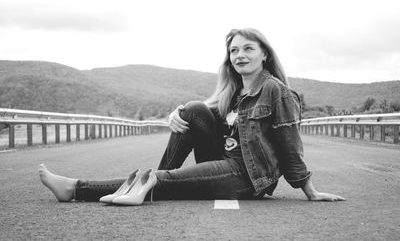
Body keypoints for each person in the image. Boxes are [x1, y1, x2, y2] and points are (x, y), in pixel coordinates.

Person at [39, 28, 345, 205]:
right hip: (226, 161)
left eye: (248, 49)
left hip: (248, 177)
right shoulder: (234, 92)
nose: (240, 55)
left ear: (264, 53)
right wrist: (179, 112)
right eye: (234, 51)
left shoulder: (277, 91)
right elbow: (202, 116)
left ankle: (77, 188)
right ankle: (149, 186)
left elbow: (290, 144)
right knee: (193, 108)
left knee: (172, 177)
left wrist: (309, 190)